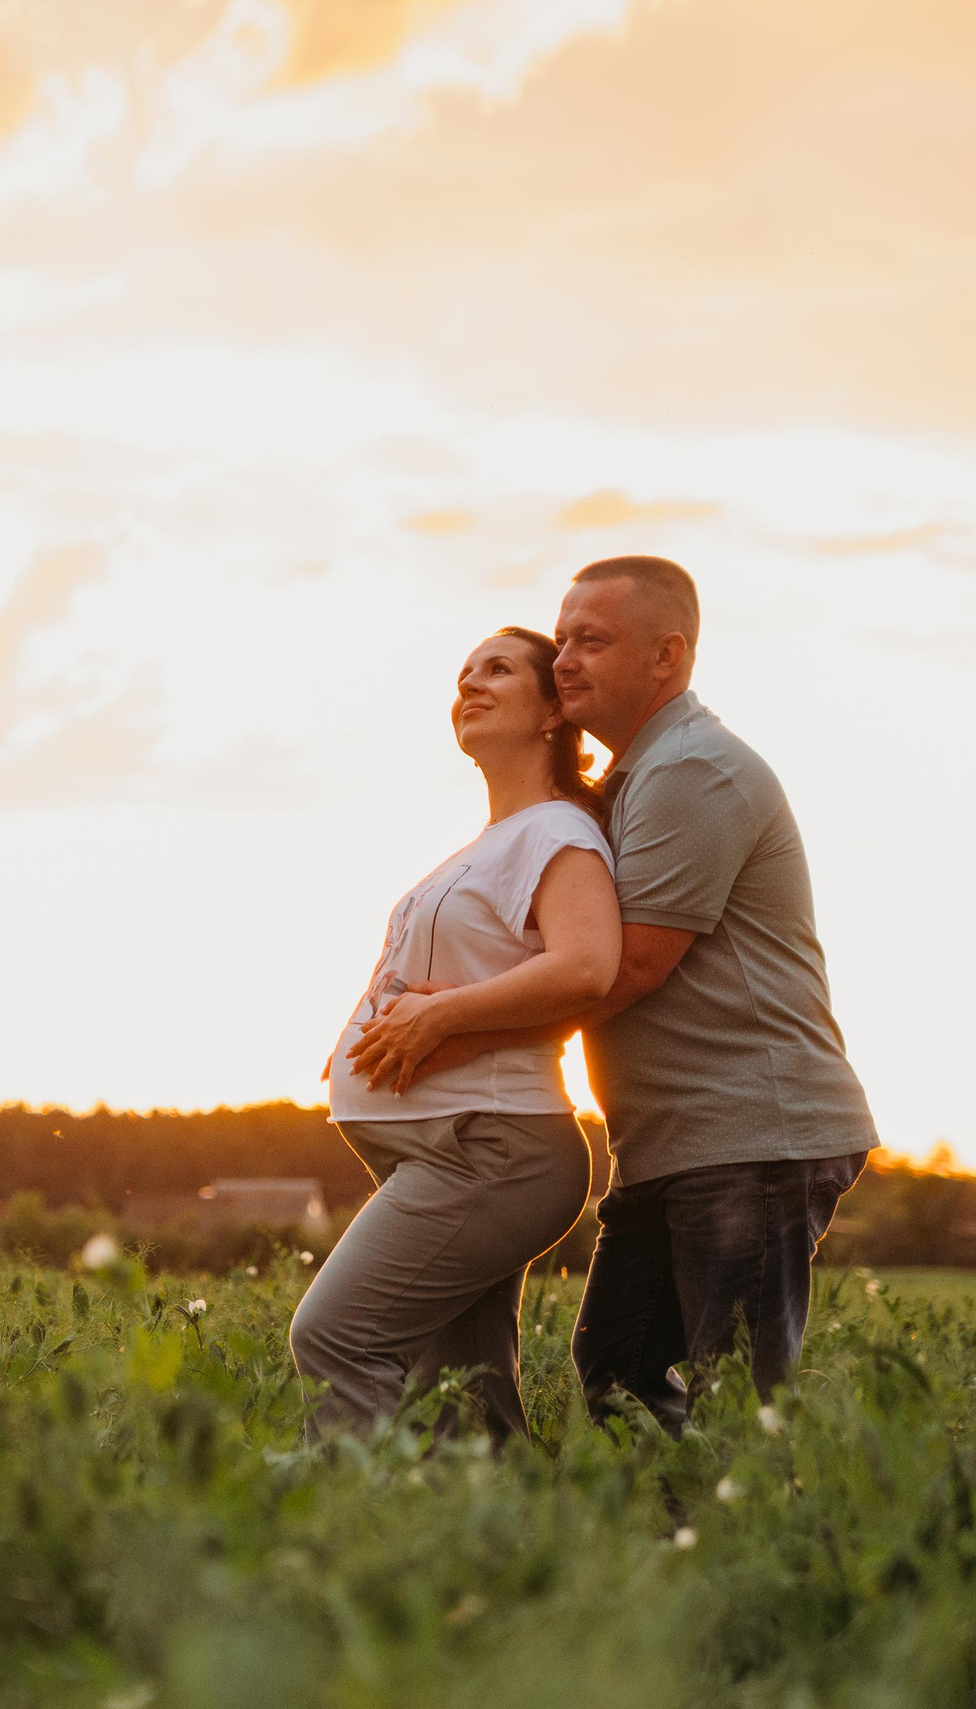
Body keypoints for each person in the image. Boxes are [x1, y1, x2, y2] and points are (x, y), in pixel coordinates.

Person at [400, 556, 878, 1434]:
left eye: (592, 640)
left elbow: (631, 966)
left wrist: (452, 1032)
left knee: (737, 1397)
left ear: (667, 657)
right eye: (565, 636)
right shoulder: (632, 778)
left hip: (751, 1134)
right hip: (675, 1140)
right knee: (618, 1365)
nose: (566, 658)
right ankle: (675, 1544)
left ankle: (753, 1550)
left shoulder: (695, 769)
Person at [289, 626, 620, 1444]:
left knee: (337, 1336)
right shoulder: (491, 842)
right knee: (466, 1399)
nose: (470, 683)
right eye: (463, 673)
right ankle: (496, 1544)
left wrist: (437, 1016)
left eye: (497, 670)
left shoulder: (559, 833)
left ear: (552, 710)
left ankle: (341, 1525)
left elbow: (586, 968)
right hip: (453, 1143)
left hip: (492, 1144)